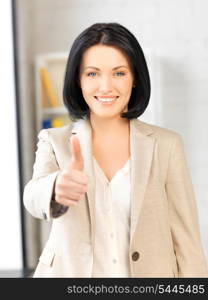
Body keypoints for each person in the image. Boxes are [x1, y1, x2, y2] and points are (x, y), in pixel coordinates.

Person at [23, 22, 208, 278]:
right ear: (77, 80)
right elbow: (32, 197)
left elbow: (188, 242)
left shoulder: (167, 145)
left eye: (119, 73)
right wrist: (56, 187)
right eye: (92, 73)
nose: (106, 86)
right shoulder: (54, 141)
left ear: (134, 79)